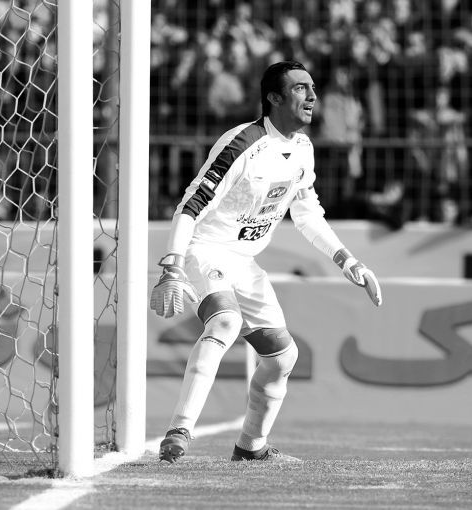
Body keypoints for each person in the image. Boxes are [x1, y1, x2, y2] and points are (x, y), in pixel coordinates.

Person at [149, 61, 383, 464]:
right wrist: (172, 264)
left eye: (312, 87)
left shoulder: (303, 149)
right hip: (206, 248)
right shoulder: (243, 143)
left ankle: (251, 447)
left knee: (282, 357)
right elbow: (191, 204)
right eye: (300, 88)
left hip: (244, 262)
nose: (312, 96)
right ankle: (179, 430)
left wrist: (348, 261)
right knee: (225, 322)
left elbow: (307, 214)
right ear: (274, 97)